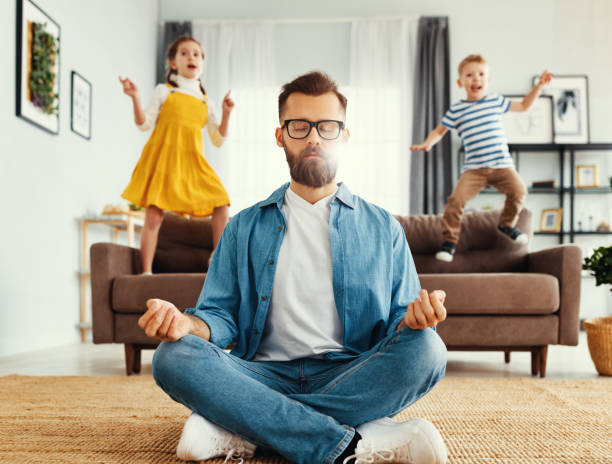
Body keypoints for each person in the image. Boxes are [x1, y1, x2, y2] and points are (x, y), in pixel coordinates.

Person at [139, 71, 449, 464]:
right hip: (261, 375)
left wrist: (416, 321)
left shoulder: (383, 226)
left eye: (328, 126)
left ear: (345, 136)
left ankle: (243, 427)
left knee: (429, 350)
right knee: (172, 356)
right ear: (280, 135)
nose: (314, 137)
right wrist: (186, 326)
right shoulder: (243, 227)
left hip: (350, 373)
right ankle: (355, 441)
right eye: (300, 126)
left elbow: (402, 323)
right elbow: (220, 316)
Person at [411, 54, 553, 262]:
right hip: (474, 170)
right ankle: (449, 242)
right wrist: (427, 143)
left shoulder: (495, 101)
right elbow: (439, 131)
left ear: (487, 81)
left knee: (519, 191)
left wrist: (539, 87)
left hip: (502, 165)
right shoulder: (457, 110)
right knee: (455, 201)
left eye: (481, 75)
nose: (475, 79)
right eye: (469, 75)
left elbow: (523, 106)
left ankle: (506, 225)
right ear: (461, 82)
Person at [119, 35, 235, 274]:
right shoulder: (165, 91)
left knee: (222, 202)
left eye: (196, 54)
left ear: (202, 63)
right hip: (165, 163)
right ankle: (146, 272)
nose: (191, 57)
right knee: (153, 219)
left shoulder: (206, 102)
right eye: (184, 53)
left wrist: (226, 113)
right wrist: (136, 98)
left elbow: (218, 139)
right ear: (173, 63)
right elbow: (144, 123)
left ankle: (218, 256)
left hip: (192, 164)